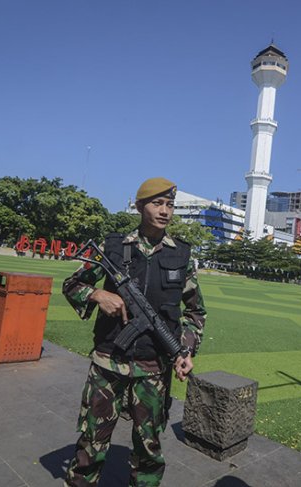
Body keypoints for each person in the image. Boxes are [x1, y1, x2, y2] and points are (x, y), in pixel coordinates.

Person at [62, 177, 206, 487]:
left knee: (149, 448)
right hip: (108, 362)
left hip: (154, 368)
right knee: (91, 442)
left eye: (170, 205)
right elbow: (72, 284)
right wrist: (98, 296)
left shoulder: (181, 256)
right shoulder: (112, 247)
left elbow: (195, 313)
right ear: (139, 206)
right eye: (157, 203)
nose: (165, 211)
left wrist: (186, 350)